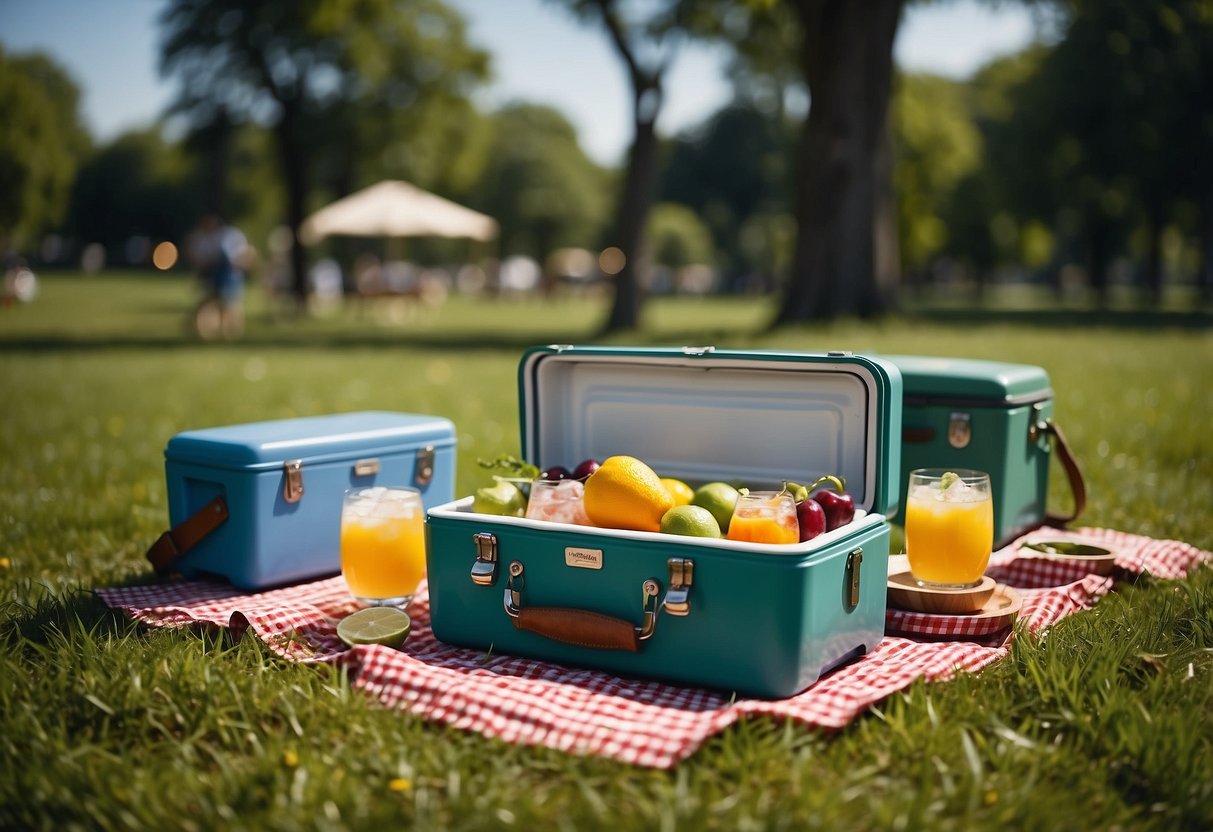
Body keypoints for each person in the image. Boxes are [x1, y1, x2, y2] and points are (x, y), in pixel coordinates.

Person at [187, 214, 250, 339]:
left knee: (229, 304)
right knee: (215, 303)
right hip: (215, 274)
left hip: (228, 274)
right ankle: (220, 331)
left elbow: (239, 257)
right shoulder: (205, 238)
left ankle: (230, 332)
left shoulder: (229, 236)